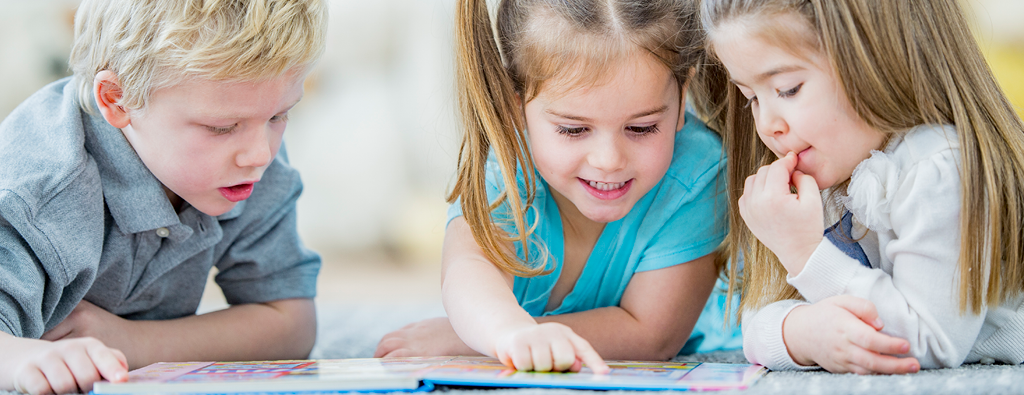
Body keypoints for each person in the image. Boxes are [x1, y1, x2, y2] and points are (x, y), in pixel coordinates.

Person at [374, 0, 742, 372]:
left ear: (681, 102)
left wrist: (473, 341)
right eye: (573, 129)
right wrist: (506, 332)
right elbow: (467, 269)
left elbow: (651, 335)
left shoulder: (698, 174)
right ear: (516, 107)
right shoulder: (505, 169)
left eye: (642, 127)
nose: (608, 159)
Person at [0, 0, 327, 393]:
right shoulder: (39, 191)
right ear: (117, 100)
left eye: (278, 116)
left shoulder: (248, 157)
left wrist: (131, 342)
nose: (260, 155)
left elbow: (292, 323)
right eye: (221, 127)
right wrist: (25, 360)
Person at [700, 0, 1024, 374]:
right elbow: (756, 322)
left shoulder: (937, 166)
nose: (767, 124)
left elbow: (927, 343)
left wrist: (804, 253)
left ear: (875, 58)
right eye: (751, 98)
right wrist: (801, 333)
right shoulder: (828, 169)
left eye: (788, 89)